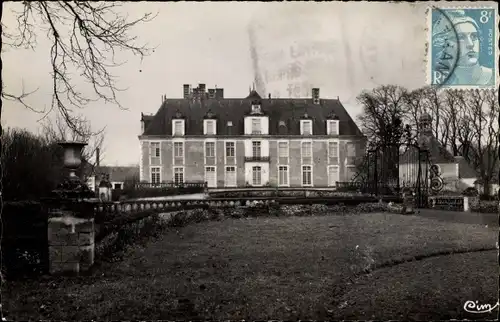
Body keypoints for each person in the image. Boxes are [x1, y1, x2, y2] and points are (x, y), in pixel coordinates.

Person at [433, 9, 494, 86]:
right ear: (443, 45)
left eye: (474, 36)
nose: (471, 44)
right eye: (460, 37)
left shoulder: (495, 77)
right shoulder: (445, 85)